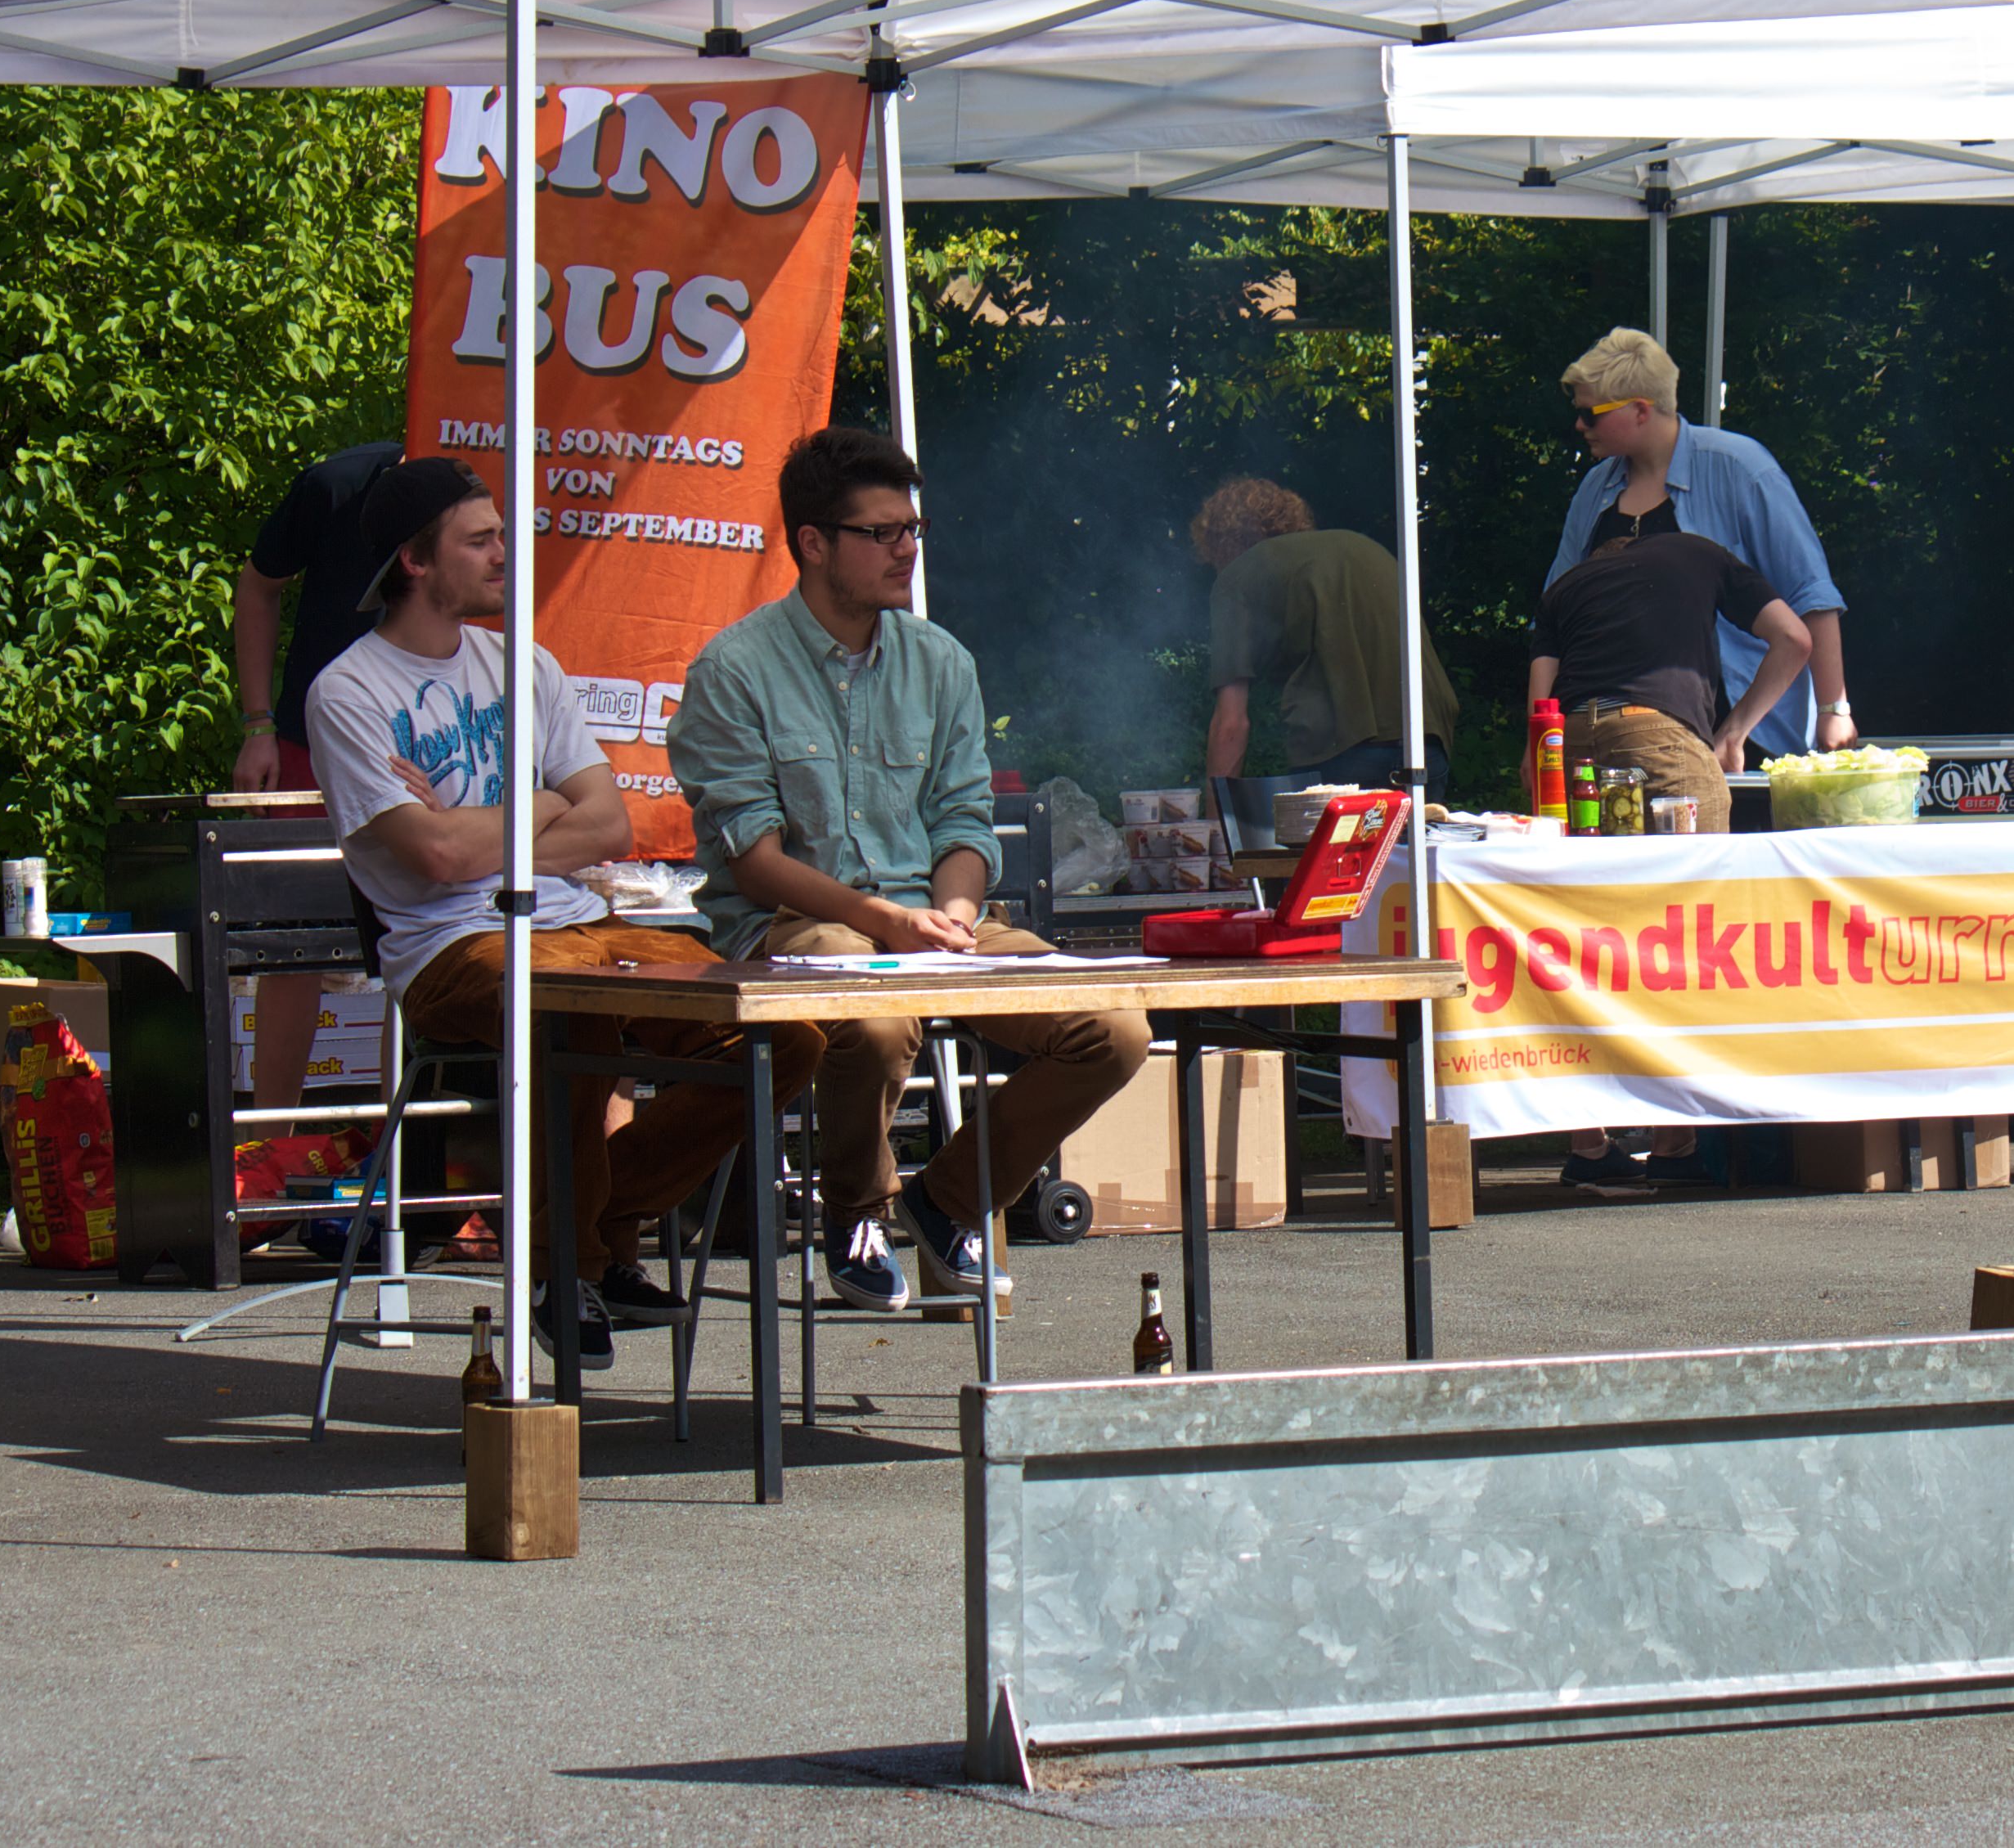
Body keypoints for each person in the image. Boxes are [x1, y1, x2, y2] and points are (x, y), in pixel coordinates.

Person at [303, 456, 822, 1371]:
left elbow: (608, 825)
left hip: (580, 924)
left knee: (780, 1035)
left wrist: (488, 824)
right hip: (451, 944)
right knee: (569, 1008)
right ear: (415, 561)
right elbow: (434, 862)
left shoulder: (525, 665)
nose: (506, 554)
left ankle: (606, 1219)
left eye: (502, 534)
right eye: (480, 540)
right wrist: (544, 806)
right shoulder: (348, 692)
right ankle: (566, 1267)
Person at [671, 427, 1151, 1316]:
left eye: (912, 529)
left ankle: (947, 1199)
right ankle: (855, 1211)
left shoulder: (940, 661)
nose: (906, 549)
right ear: (814, 543)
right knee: (875, 1012)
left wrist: (955, 912)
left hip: (929, 918)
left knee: (1115, 1028)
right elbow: (755, 861)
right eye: (881, 532)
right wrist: (886, 923)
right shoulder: (734, 669)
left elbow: (965, 821)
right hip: (793, 927)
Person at [1531, 528, 1810, 1179]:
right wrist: (1734, 731)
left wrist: (1541, 763)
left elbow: (1540, 700)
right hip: (1658, 740)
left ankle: (1588, 1145)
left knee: (1580, 941)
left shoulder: (1565, 586)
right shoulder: (1700, 553)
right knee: (1688, 935)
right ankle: (1675, 1145)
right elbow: (1796, 638)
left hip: (1565, 748)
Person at [1548, 329, 1854, 758]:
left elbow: (1811, 593)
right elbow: (1553, 618)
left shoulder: (1741, 468)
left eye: (1590, 414)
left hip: (1745, 736)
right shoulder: (1594, 491)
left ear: (1640, 410)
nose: (1579, 425)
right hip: (1617, 740)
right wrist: (1542, 735)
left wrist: (1833, 709)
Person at [232, 439, 402, 1124]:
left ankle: (408, 1151)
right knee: (291, 944)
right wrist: (258, 725)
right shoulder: (336, 483)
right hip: (310, 743)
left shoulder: (492, 482)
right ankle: (270, 1142)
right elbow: (258, 584)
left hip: (424, 740)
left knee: (421, 941)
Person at [1192, 478, 1459, 794]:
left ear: (1221, 542)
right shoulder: (1359, 545)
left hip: (1343, 752)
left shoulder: (1237, 576)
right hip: (1427, 743)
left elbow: (1231, 724)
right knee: (1412, 831)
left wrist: (1215, 820)